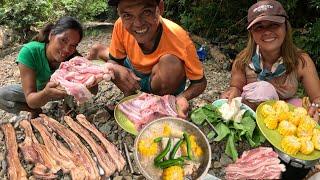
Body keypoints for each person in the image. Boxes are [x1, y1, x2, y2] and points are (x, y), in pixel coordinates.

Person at [87, 0, 207, 118]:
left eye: (146, 12)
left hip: (160, 82)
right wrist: (112, 67)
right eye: (128, 15)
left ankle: (156, 104)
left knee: (171, 62)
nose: (138, 24)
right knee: (103, 57)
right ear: (119, 13)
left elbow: (200, 82)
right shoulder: (121, 25)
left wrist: (183, 97)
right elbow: (115, 61)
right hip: (135, 74)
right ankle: (130, 97)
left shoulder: (179, 37)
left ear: (160, 8)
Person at [221, 0, 320, 121]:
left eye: (274, 25)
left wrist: (316, 108)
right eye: (259, 27)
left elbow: (317, 98)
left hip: (285, 116)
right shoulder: (243, 60)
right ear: (252, 33)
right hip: (251, 114)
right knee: (264, 90)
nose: (267, 32)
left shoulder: (301, 60)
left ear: (286, 27)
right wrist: (231, 94)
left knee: (303, 108)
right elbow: (235, 87)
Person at [0, 16, 84, 118]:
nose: (67, 49)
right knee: (2, 95)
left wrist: (92, 77)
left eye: (73, 45)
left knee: (77, 84)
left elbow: (93, 91)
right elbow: (31, 99)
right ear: (51, 35)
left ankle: (68, 107)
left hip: (63, 92)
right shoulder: (29, 52)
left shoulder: (74, 58)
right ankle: (35, 110)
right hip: (39, 92)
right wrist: (46, 93)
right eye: (63, 40)